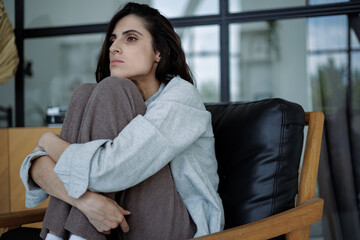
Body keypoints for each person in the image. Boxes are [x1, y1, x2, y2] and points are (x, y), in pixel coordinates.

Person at [20, 2, 224, 240]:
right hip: (122, 222)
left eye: (131, 39)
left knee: (113, 89)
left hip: (180, 229)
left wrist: (46, 140)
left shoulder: (181, 97)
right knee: (84, 92)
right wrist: (87, 203)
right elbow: (34, 168)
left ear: (159, 52)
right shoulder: (107, 103)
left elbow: (106, 172)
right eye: (113, 40)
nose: (114, 47)